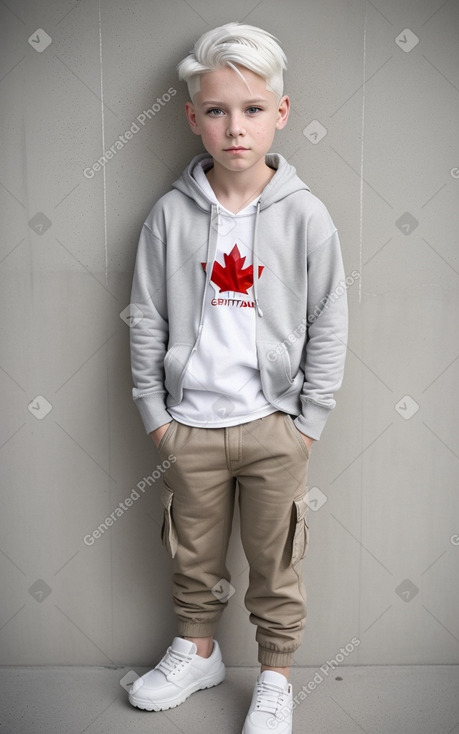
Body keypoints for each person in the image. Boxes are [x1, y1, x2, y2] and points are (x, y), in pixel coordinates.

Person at [128, 21, 348, 734]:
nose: (234, 127)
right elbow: (147, 320)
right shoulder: (167, 217)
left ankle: (275, 678)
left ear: (280, 114)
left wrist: (307, 421)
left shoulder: (306, 218)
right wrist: (155, 416)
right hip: (189, 425)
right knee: (191, 555)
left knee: (274, 560)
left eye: (252, 109)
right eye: (216, 110)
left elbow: (328, 322)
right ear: (193, 118)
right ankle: (198, 652)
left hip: (273, 427)